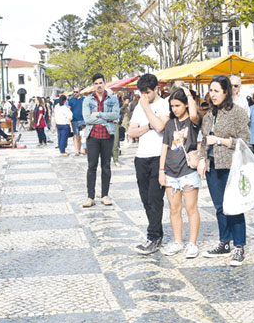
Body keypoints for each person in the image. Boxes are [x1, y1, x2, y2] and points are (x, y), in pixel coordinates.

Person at [198, 75, 251, 266]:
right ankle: (225, 242)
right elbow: (204, 140)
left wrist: (221, 141)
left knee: (234, 206)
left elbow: (246, 142)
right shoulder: (208, 116)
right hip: (213, 166)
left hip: (231, 165)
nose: (212, 95)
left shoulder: (237, 113)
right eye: (210, 91)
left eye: (216, 91)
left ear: (226, 92)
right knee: (220, 207)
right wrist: (202, 160)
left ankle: (239, 246)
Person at [126, 75, 171, 254]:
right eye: (142, 93)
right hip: (141, 157)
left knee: (155, 198)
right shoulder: (139, 106)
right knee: (145, 199)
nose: (144, 96)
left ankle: (153, 236)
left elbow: (160, 127)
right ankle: (156, 233)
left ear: (156, 89)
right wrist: (147, 127)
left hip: (158, 156)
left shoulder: (164, 105)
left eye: (147, 92)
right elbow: (131, 132)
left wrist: (146, 109)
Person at [157, 86, 202, 258]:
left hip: (188, 171)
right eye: (172, 106)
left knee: (191, 208)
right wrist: (161, 170)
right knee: (174, 209)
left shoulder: (193, 121)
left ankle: (192, 243)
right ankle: (178, 241)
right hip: (171, 171)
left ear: (185, 104)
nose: (175, 109)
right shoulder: (170, 124)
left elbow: (194, 115)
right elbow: (165, 147)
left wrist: (188, 92)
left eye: (178, 105)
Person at [82, 73, 120, 207]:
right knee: (91, 167)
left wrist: (98, 114)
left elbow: (116, 115)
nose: (99, 85)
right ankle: (90, 197)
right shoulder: (87, 100)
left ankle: (105, 195)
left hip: (107, 135)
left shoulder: (112, 98)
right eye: (96, 83)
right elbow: (87, 119)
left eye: (101, 83)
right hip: (92, 136)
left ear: (105, 83)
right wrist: (106, 119)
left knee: (106, 166)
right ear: (93, 85)